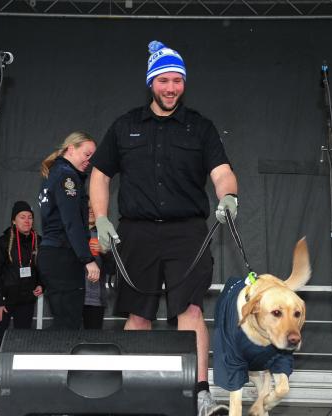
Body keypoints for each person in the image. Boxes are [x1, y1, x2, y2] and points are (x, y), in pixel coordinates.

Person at [89, 40, 238, 416]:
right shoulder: (125, 126)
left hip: (187, 233)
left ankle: (202, 393)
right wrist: (102, 218)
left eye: (177, 81)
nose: (171, 88)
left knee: (189, 309)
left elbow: (221, 172)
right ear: (151, 83)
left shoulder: (200, 127)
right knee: (137, 314)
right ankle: (128, 393)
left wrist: (229, 195)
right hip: (136, 232)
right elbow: (100, 174)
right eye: (164, 81)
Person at [38, 131, 100, 329]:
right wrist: (88, 259)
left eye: (92, 156)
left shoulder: (53, 174)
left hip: (53, 254)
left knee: (64, 320)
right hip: (62, 255)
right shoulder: (67, 177)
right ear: (71, 149)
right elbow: (71, 221)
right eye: (87, 154)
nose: (89, 161)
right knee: (69, 322)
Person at [0, 200, 43, 373]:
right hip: (4, 301)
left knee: (23, 344)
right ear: (13, 220)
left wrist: (42, 285)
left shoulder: (38, 241)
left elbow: (43, 269)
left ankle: (17, 387)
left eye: (30, 217)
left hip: (26, 300)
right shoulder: (3, 242)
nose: (27, 221)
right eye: (22, 217)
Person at [83, 202, 115, 329]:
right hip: (74, 297)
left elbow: (112, 270)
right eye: (88, 207)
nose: (91, 211)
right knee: (69, 339)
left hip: (96, 299)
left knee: (93, 341)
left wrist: (104, 252)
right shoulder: (73, 233)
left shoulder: (106, 235)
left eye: (94, 207)